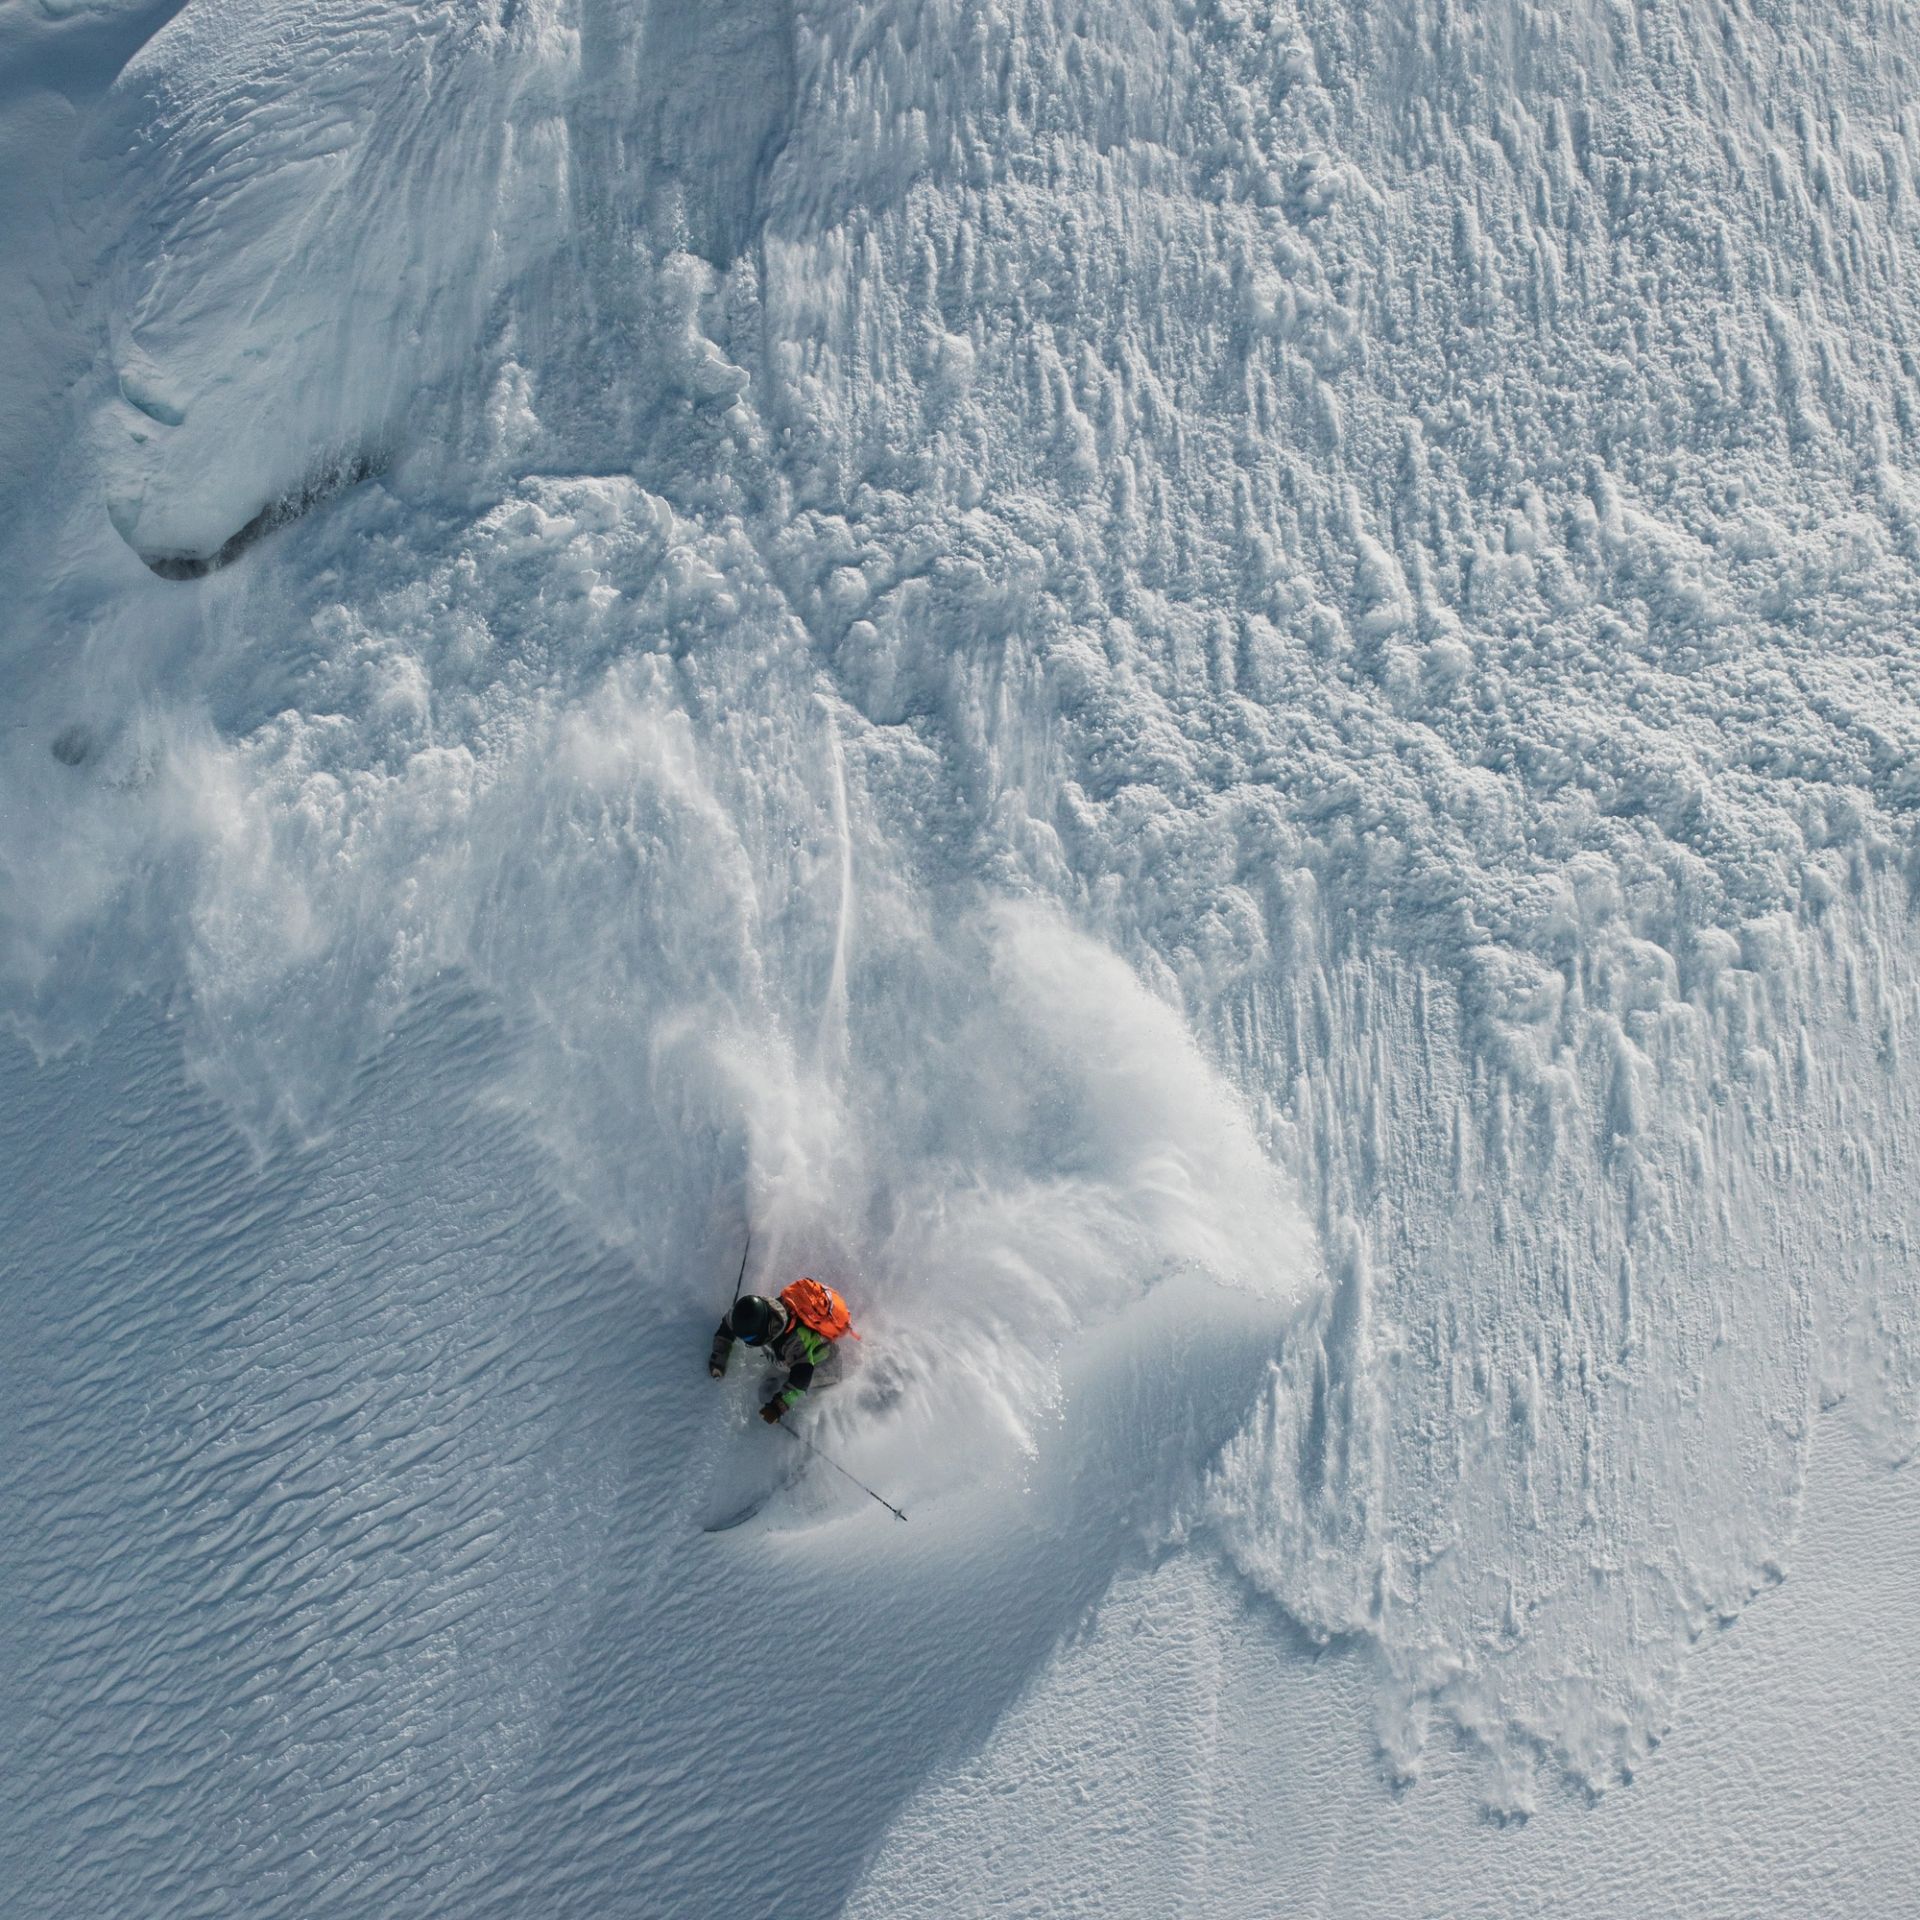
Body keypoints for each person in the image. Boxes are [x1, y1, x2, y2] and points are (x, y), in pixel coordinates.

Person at [709, 1288, 847, 1422]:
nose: (747, 1342)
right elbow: (728, 1325)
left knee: (808, 1393)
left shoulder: (793, 1342)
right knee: (775, 1377)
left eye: (750, 1340)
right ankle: (781, 1381)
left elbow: (802, 1377)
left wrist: (779, 1406)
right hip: (793, 1361)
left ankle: (807, 1416)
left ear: (765, 1333)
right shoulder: (751, 1311)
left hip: (824, 1365)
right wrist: (719, 1354)